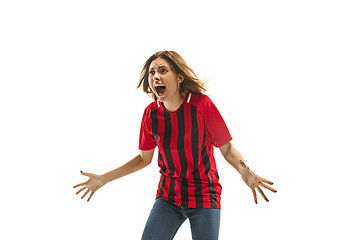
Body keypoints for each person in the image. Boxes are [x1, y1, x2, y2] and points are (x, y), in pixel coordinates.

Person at [73, 50, 277, 240]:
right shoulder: (151, 114)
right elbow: (144, 159)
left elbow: (227, 148)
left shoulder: (201, 105)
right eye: (152, 72)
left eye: (163, 70)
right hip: (168, 197)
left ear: (179, 77)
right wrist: (103, 179)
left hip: (204, 196)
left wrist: (245, 171)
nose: (156, 76)